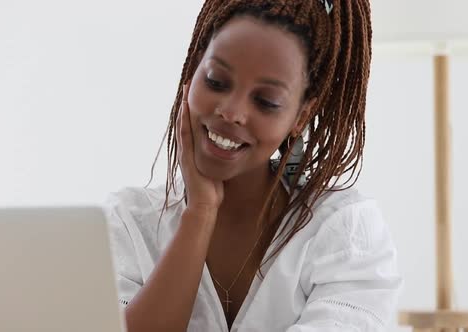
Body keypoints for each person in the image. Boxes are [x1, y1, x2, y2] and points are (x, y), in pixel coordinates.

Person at [104, 1, 402, 331]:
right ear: (193, 69)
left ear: (301, 115)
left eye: (266, 102)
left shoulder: (343, 232)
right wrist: (200, 213)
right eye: (216, 81)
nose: (232, 112)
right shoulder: (127, 223)